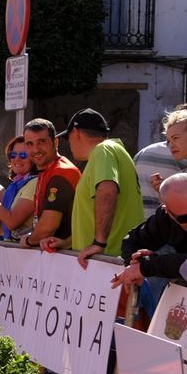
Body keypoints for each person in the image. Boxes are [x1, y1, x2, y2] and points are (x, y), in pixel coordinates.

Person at [53, 109, 143, 267]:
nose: (69, 144)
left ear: (77, 132)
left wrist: (99, 243)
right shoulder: (111, 151)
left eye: (68, 138)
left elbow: (108, 191)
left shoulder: (103, 150)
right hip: (107, 259)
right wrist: (66, 242)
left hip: (107, 261)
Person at [133, 104, 187, 218]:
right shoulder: (180, 175)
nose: (171, 145)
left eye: (175, 138)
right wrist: (164, 192)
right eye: (168, 141)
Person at [21, 119, 81, 250]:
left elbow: (49, 226)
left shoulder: (62, 172)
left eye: (42, 142)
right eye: (30, 144)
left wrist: (29, 241)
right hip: (56, 255)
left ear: (55, 142)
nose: (36, 149)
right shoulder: (47, 171)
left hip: (68, 257)